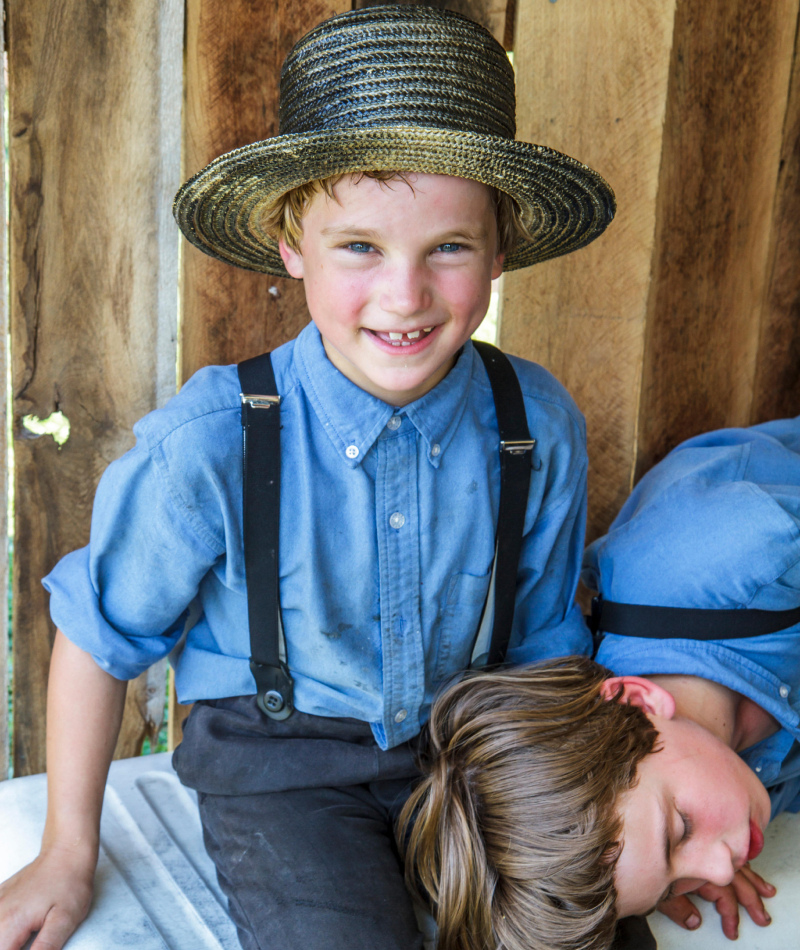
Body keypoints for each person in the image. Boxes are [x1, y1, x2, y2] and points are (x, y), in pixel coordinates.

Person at [0, 7, 616, 950]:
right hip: (279, 769)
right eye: (359, 247)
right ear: (293, 247)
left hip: (469, 750)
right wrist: (65, 853)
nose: (404, 295)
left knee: (588, 929)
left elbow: (539, 651)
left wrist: (601, 822)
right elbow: (97, 636)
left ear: (500, 253)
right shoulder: (213, 441)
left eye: (448, 247)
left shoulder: (534, 426)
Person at [401, 417, 800, 950]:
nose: (720, 871)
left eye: (680, 829)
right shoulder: (705, 765)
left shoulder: (751, 547)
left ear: (636, 700)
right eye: (670, 887)